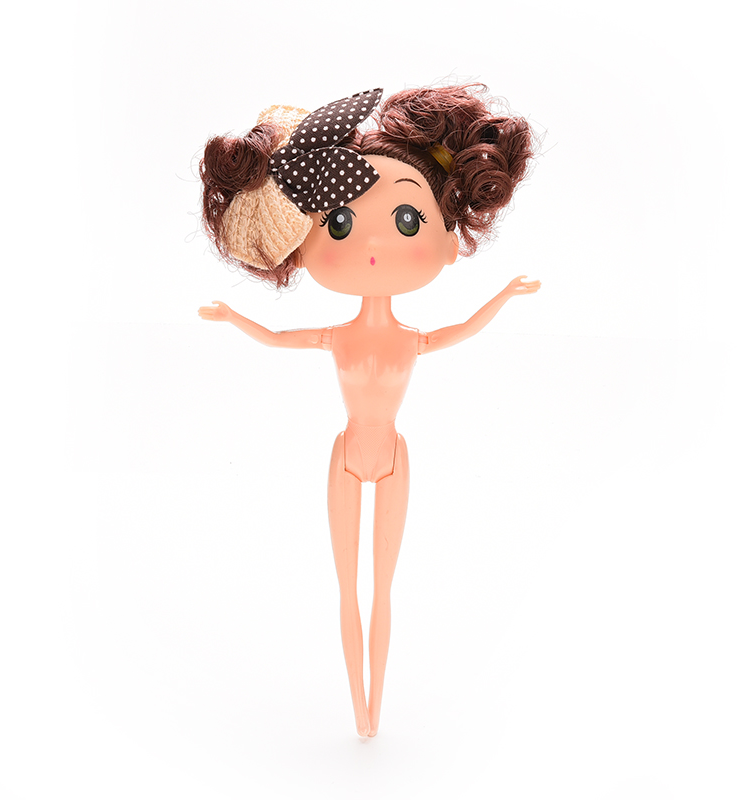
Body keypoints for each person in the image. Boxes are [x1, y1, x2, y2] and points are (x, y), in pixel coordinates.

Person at [198, 86, 540, 737]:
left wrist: (505, 296)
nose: (376, 243)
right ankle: (358, 704)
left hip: (394, 458)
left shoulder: (409, 338)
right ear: (303, 240)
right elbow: (276, 339)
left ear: (449, 243)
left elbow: (465, 328)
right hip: (346, 455)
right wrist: (232, 317)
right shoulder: (341, 336)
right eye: (340, 223)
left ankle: (373, 704)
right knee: (346, 585)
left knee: (383, 587)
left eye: (408, 220)